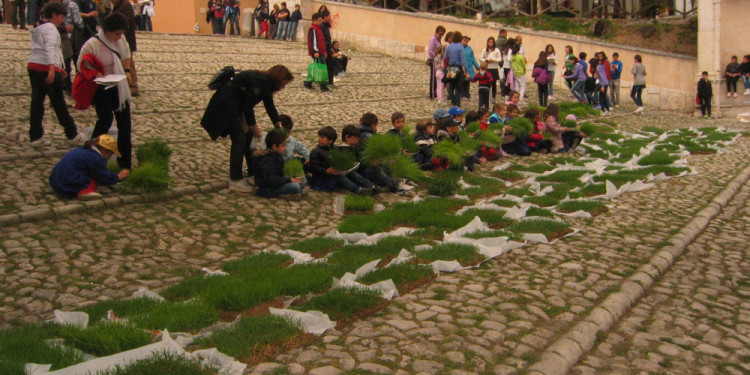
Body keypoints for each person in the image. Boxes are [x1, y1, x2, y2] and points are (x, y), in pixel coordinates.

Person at [201, 65, 293, 192]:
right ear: (278, 79)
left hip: (236, 108)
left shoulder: (266, 84)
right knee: (239, 140)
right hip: (227, 107)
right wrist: (254, 126)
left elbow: (269, 106)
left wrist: (278, 125)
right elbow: (248, 106)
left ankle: (252, 173)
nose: (283, 87)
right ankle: (236, 179)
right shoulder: (261, 82)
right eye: (283, 83)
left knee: (249, 139)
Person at [77, 12, 133, 168]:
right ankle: (90, 155)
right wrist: (96, 73)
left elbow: (127, 54)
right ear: (108, 30)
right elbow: (81, 64)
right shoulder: (93, 44)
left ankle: (124, 163)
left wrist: (127, 71)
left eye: (121, 33)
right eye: (117, 33)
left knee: (125, 125)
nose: (119, 36)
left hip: (118, 85)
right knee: (105, 119)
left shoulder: (121, 41)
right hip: (100, 87)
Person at [27, 2, 84, 147]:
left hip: (34, 66)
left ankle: (35, 136)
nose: (62, 20)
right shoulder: (52, 30)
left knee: (37, 102)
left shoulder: (40, 28)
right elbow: (50, 48)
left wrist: (60, 67)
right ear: (54, 15)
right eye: (61, 16)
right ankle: (72, 134)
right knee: (59, 103)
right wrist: (52, 69)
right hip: (46, 68)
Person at [49, 135, 130, 200]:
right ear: (105, 150)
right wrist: (118, 177)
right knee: (95, 176)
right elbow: (102, 176)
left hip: (55, 180)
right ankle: (86, 191)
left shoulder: (84, 150)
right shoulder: (97, 158)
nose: (109, 157)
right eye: (111, 153)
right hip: (68, 183)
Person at [308, 125, 374, 194]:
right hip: (322, 177)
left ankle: (371, 185)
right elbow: (313, 168)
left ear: (330, 140)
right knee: (339, 176)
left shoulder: (335, 148)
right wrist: (326, 171)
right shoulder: (315, 152)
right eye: (319, 137)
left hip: (333, 172)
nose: (319, 139)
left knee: (351, 173)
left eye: (322, 137)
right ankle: (358, 189)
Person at [254, 130, 306, 200]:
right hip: (267, 188)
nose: (285, 148)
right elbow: (272, 180)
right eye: (283, 146)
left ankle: (295, 192)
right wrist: (289, 180)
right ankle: (289, 193)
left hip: (278, 182)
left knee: (302, 181)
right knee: (295, 186)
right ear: (274, 147)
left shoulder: (277, 156)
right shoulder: (267, 160)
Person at [111, 0, 138, 96]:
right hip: (118, 38)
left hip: (126, 39)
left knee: (128, 63)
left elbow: (127, 22)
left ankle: (133, 87)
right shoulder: (118, 6)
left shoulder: (125, 5)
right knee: (123, 63)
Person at [303, 12, 328, 91]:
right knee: (322, 68)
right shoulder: (313, 29)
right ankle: (323, 86)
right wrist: (315, 51)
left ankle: (308, 82)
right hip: (317, 52)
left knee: (317, 67)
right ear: (314, 20)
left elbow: (321, 41)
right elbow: (314, 41)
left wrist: (324, 51)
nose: (321, 22)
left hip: (321, 51)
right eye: (319, 20)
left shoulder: (318, 28)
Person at [444, 31, 467, 107]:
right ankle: (457, 103)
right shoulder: (460, 47)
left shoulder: (449, 46)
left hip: (450, 67)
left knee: (451, 85)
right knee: (458, 86)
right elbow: (463, 60)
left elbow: (444, 57)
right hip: (458, 67)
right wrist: (466, 69)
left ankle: (452, 101)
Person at [480, 36, 502, 102]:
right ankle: (486, 96)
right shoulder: (484, 50)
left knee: (494, 83)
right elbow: (480, 58)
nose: (490, 43)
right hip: (487, 68)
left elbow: (499, 59)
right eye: (489, 42)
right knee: (486, 83)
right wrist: (486, 60)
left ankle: (493, 97)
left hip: (494, 68)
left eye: (491, 42)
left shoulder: (497, 50)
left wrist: (493, 60)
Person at [428, 25, 446, 100]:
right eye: (440, 34)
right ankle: (432, 94)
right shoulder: (433, 40)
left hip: (437, 59)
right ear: (436, 32)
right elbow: (430, 51)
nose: (441, 35)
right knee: (433, 77)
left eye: (443, 34)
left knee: (436, 78)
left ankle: (436, 93)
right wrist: (437, 58)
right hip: (433, 60)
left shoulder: (438, 40)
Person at [461, 36, 479, 100]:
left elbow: (473, 58)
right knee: (462, 81)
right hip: (461, 67)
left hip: (468, 67)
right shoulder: (459, 48)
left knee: (467, 80)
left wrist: (477, 67)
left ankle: (467, 93)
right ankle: (462, 94)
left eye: (466, 41)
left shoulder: (469, 49)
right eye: (464, 40)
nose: (465, 42)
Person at [320, 10, 335, 87]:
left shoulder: (326, 25)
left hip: (327, 48)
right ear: (325, 17)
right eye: (329, 16)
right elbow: (323, 39)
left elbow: (328, 38)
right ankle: (327, 82)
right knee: (326, 66)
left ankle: (330, 81)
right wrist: (325, 50)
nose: (330, 18)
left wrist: (331, 48)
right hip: (324, 49)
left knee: (330, 65)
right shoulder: (322, 26)